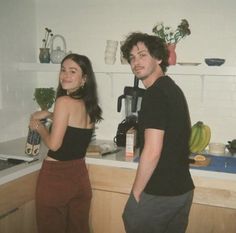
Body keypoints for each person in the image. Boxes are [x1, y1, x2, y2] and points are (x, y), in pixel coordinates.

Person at [120, 32, 195, 233]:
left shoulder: (154, 94)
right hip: (181, 190)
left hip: (159, 193)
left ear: (159, 58)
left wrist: (136, 192)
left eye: (142, 55)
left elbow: (153, 151)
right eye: (132, 58)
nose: (136, 62)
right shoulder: (172, 89)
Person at [29, 53, 102, 233]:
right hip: (79, 177)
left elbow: (54, 145)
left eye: (72, 71)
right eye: (63, 70)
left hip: (56, 179)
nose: (65, 75)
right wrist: (48, 114)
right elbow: (71, 125)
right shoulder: (90, 106)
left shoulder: (63, 101)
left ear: (84, 78)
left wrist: (39, 127)